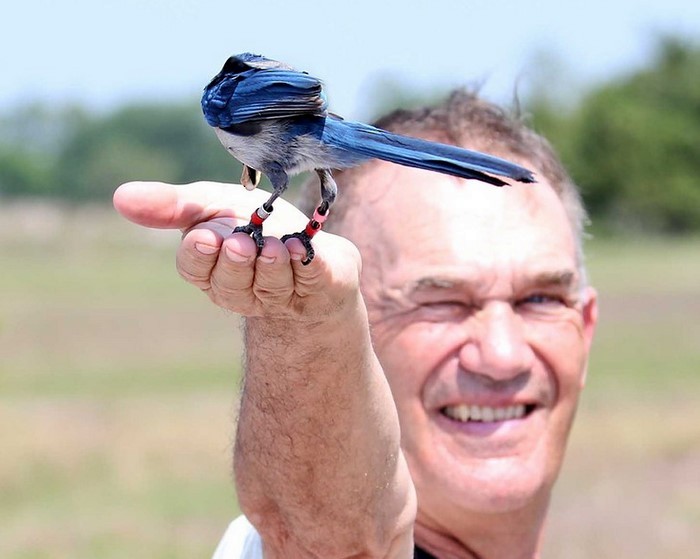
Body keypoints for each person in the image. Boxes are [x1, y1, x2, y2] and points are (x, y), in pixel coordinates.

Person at [114, 89, 598, 558]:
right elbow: (329, 540)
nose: (501, 355)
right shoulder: (274, 545)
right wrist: (307, 317)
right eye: (439, 303)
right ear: (358, 329)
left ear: (587, 325)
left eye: (540, 299)